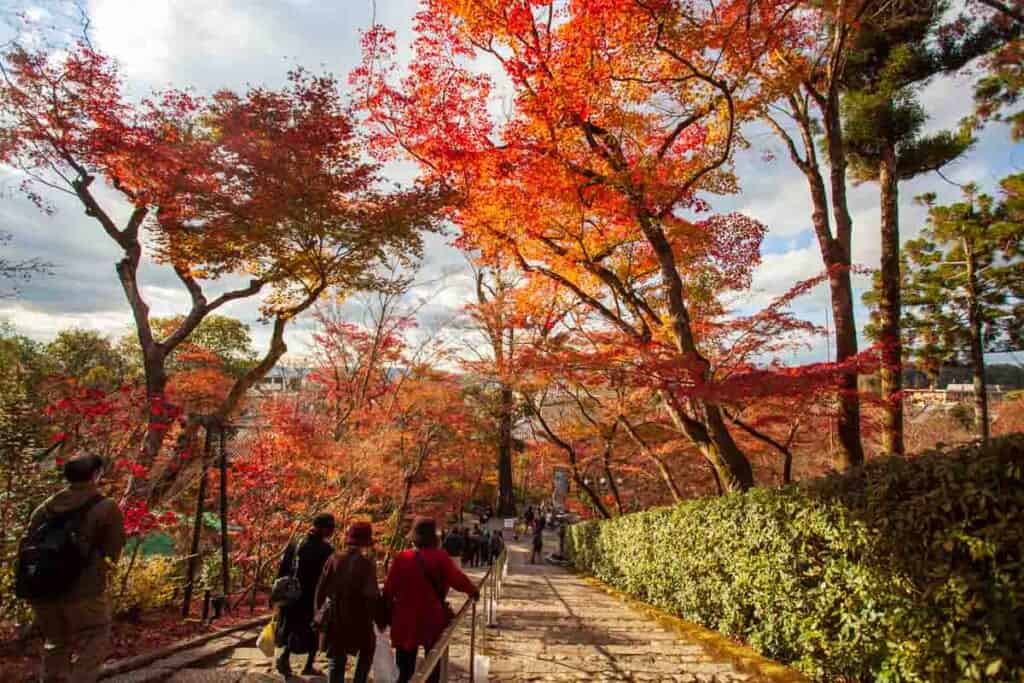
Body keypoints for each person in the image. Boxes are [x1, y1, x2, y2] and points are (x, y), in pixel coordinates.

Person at [24, 453, 125, 683]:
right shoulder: (106, 507)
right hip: (84, 588)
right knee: (96, 634)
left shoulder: (46, 507)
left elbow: (29, 541)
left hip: (43, 587)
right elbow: (113, 549)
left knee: (56, 641)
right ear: (95, 475)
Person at [383, 517, 479, 683]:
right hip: (432, 617)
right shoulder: (440, 557)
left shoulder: (402, 558)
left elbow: (389, 590)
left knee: (404, 669)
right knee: (433, 666)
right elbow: (457, 579)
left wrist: (385, 614)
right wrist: (473, 591)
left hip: (405, 619)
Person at [314, 522, 382, 683]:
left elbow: (321, 589)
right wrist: (379, 618)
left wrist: (318, 613)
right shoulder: (366, 563)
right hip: (359, 618)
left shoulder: (334, 558)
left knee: (336, 660)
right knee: (366, 653)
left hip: (335, 617)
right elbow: (371, 595)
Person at [275, 513, 336, 678]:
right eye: (331, 528)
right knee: (313, 629)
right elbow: (329, 577)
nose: (332, 531)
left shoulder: (296, 543)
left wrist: (280, 593)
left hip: (292, 594)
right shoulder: (326, 550)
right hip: (312, 596)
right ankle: (307, 665)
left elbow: (283, 569)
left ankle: (285, 658)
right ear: (323, 528)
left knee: (292, 627)